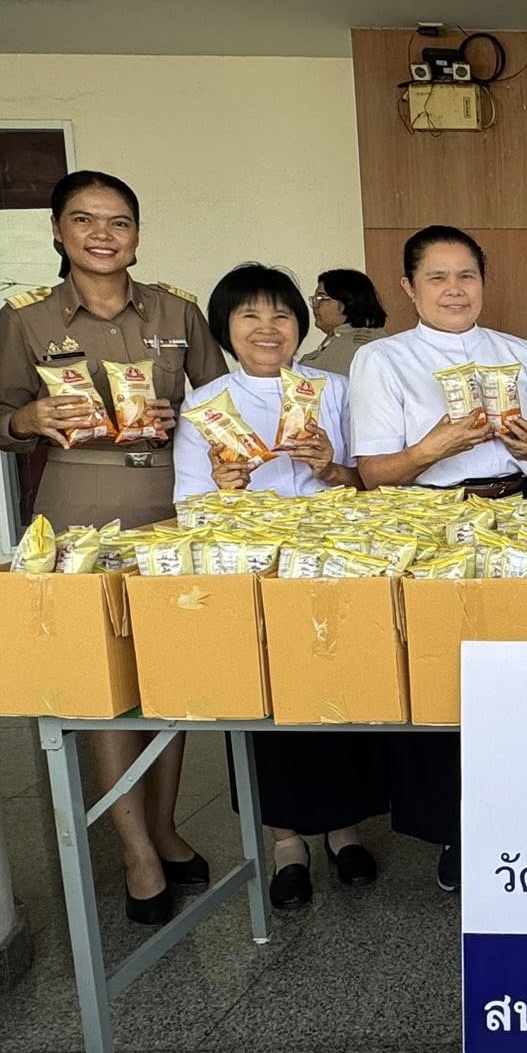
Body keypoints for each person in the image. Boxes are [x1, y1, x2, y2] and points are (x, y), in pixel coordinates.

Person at [0, 169, 227, 924]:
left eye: (118, 221)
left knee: (168, 673)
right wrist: (32, 419)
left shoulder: (178, 311)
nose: (101, 234)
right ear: (57, 230)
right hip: (77, 506)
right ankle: (135, 849)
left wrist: (180, 413)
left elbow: (222, 410)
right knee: (101, 681)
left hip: (170, 505)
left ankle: (166, 823)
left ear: (137, 236)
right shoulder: (26, 317)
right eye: (84, 220)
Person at [349, 225, 527, 892]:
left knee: (524, 665)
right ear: (409, 287)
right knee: (446, 675)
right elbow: (373, 473)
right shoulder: (383, 361)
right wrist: (434, 447)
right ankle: (456, 828)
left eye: (467, 275)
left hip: (516, 512)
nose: (454, 290)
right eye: (438, 277)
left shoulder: (517, 352)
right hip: (432, 523)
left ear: (484, 282)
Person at [173, 264, 386, 910]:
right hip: (255, 574)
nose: (267, 329)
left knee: (337, 691)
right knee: (267, 702)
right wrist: (226, 488)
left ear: (300, 324)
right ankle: (285, 840)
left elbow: (371, 482)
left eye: (281, 316)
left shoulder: (333, 389)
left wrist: (334, 468)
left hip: (331, 564)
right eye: (249, 317)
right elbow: (187, 508)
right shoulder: (206, 404)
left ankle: (344, 829)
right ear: (226, 329)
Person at [302, 267, 386, 374]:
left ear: (346, 302)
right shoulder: (338, 339)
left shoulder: (358, 345)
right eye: (314, 299)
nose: (315, 306)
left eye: (322, 298)